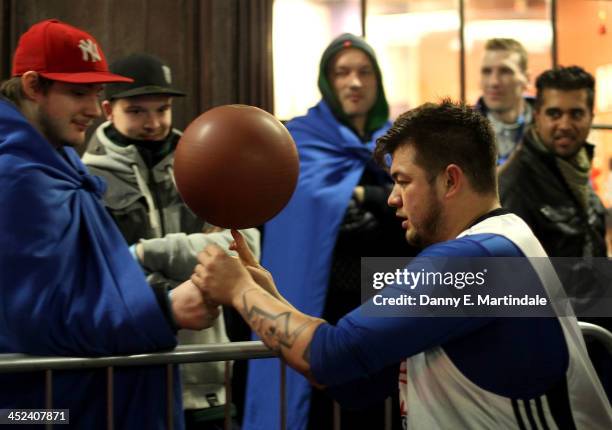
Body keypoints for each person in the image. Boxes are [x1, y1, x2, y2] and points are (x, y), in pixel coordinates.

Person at [192, 100, 612, 429]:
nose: (392, 198)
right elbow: (352, 380)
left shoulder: (474, 260)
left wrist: (238, 291)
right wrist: (269, 295)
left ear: (450, 180)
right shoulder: (498, 243)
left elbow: (332, 356)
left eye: (403, 181)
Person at [0, 19, 217, 429]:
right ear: (32, 86)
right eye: (78, 92)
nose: (90, 108)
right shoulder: (18, 178)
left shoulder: (54, 162)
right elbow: (36, 321)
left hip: (73, 400)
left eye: (97, 92)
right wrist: (164, 308)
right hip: (39, 411)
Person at [82, 53, 260, 429]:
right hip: (128, 366)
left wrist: (145, 252)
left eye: (162, 110)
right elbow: (101, 269)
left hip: (207, 366)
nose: (153, 123)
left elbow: (245, 248)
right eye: (137, 111)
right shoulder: (86, 177)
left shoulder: (205, 161)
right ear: (107, 110)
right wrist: (198, 254)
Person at [251, 33, 413, 430]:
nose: (353, 82)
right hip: (321, 309)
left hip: (386, 308)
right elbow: (294, 218)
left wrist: (366, 195)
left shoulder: (402, 143)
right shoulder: (299, 141)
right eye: (342, 73)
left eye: (364, 72)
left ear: (377, 81)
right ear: (327, 81)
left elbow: (421, 204)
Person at [499, 66, 610, 399]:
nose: (564, 124)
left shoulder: (575, 168)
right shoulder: (516, 182)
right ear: (537, 116)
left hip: (587, 339)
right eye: (554, 113)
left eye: (576, 113)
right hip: (548, 354)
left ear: (591, 115)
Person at [476, 38, 533, 164]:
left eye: (505, 71)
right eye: (487, 72)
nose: (494, 82)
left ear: (527, 79)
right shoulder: (462, 132)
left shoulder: (548, 126)